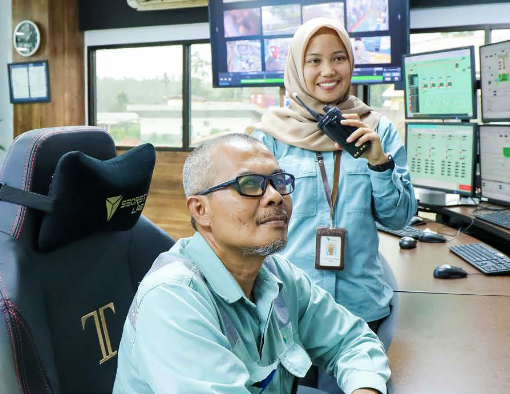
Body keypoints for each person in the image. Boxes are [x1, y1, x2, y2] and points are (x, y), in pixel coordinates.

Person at [113, 133, 389, 394]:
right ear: (201, 210)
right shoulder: (173, 298)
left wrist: (365, 388)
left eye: (279, 181)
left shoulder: (278, 274)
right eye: (249, 184)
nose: (275, 195)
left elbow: (352, 341)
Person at [250, 18, 417, 333]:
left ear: (350, 64)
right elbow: (250, 224)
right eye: (314, 61)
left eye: (338, 58)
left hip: (361, 308)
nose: (328, 70)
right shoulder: (269, 136)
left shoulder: (377, 129)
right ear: (298, 68)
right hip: (290, 307)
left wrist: (379, 162)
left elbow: (399, 220)